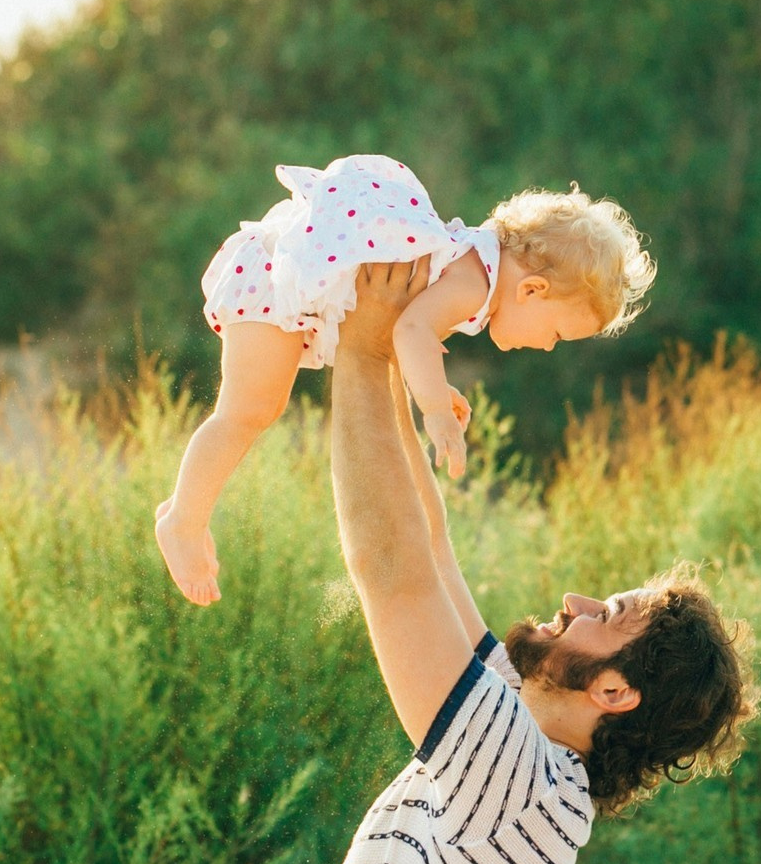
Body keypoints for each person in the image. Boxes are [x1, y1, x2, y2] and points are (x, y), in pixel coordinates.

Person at [287, 258, 756, 864]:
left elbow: (389, 569)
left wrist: (363, 350)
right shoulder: (523, 758)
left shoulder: (516, 776)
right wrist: (390, 356)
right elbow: (431, 550)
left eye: (610, 616)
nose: (581, 599)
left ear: (614, 693)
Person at [155, 154, 655, 605]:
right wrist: (434, 409)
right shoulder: (471, 280)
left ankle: (188, 514)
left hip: (281, 278)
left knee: (254, 411)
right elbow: (412, 329)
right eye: (557, 333)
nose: (547, 346)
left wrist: (435, 386)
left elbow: (406, 332)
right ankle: (184, 520)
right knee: (248, 412)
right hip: (273, 278)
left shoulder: (470, 270)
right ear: (533, 289)